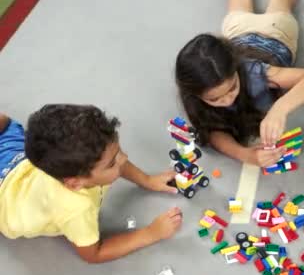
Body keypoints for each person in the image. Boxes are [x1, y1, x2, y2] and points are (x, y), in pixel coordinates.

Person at [0, 105, 182, 263]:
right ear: (74, 183)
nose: (124, 158)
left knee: (4, 123)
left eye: (118, 151)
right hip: (5, 203)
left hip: (14, 160)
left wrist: (148, 180)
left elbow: (117, 162)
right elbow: (94, 254)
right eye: (112, 163)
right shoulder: (76, 208)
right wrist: (151, 233)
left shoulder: (87, 164)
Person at [175, 0, 304, 167]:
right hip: (237, 33)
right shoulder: (194, 96)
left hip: (275, 32)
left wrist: (280, 109)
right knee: (239, 6)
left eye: (233, 88)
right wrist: (244, 154)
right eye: (215, 99)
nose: (227, 100)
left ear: (235, 70)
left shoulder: (254, 73)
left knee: (281, 3)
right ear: (196, 94)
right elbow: (211, 131)